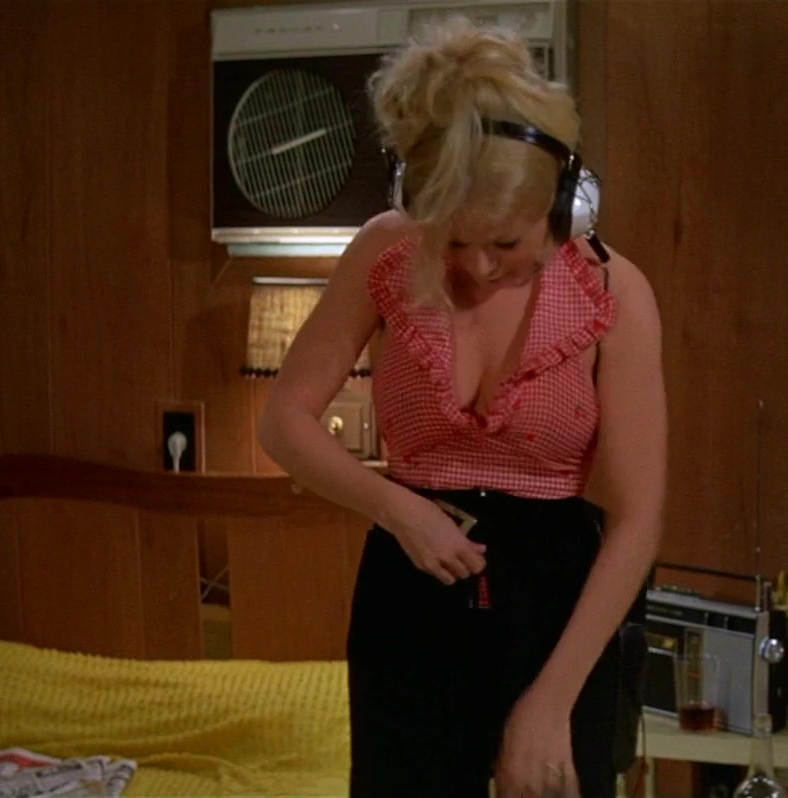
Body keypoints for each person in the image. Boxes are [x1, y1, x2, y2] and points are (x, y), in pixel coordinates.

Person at [257, 16, 666, 798]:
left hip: (560, 616)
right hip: (410, 595)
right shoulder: (384, 252)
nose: (478, 267)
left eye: (506, 245)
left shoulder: (615, 292)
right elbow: (284, 421)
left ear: (560, 209)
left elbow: (639, 520)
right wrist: (396, 509)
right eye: (453, 241)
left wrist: (550, 704)